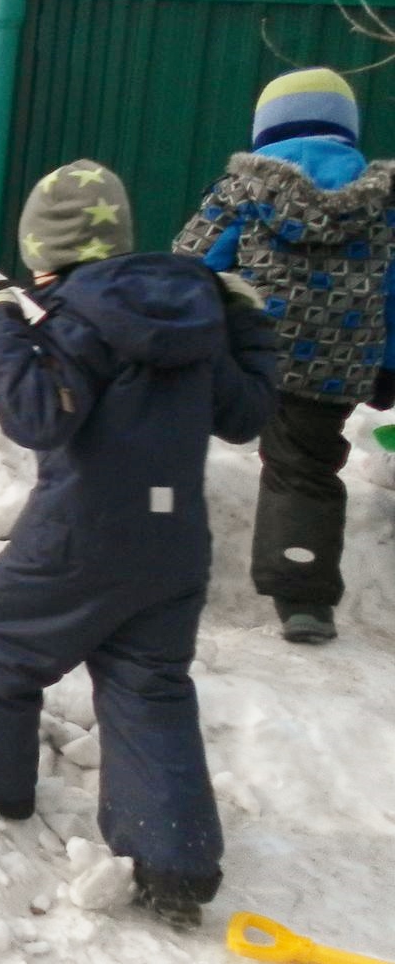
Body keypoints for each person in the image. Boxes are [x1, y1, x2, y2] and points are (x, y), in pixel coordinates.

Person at [0, 159, 278, 931]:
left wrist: (0, 324)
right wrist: (248, 324)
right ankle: (173, 862)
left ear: (43, 253)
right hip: (172, 541)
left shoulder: (81, 318)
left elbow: (36, 416)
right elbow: (245, 413)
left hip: (83, 535)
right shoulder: (197, 314)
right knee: (149, 683)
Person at [173, 67, 395, 644]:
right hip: (338, 360)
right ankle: (303, 596)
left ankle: (151, 552)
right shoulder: (383, 203)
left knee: (169, 430)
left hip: (250, 348)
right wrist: (389, 362)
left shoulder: (243, 189)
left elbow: (192, 265)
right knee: (305, 466)